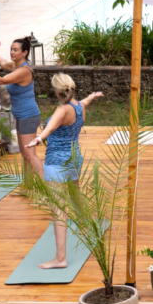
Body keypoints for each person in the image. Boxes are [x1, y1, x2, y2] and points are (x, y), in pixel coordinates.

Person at [27, 74, 104, 269]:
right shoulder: (79, 106)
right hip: (74, 157)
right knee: (75, 197)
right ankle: (87, 229)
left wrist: (38, 138)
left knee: (59, 211)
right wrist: (91, 97)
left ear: (56, 91)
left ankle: (60, 259)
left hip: (57, 163)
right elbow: (83, 103)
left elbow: (50, 127)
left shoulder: (61, 110)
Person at [0, 36, 44, 182]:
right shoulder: (15, 66)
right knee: (25, 153)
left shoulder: (24, 70)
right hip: (20, 116)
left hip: (28, 116)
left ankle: (49, 189)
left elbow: (3, 80)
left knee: (30, 154)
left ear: (24, 53)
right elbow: (4, 63)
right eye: (11, 49)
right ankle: (29, 184)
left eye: (16, 50)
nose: (12, 52)